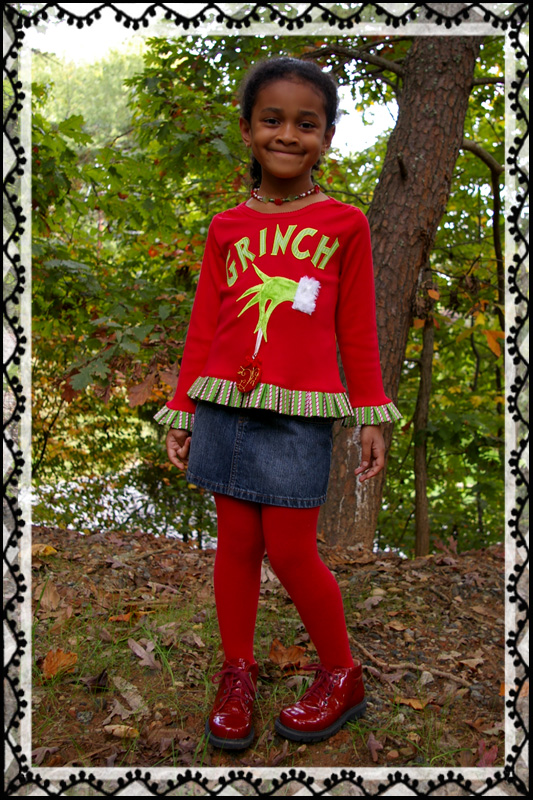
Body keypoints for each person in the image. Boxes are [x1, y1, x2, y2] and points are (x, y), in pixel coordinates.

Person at [154, 57, 401, 750]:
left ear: (327, 136)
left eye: (305, 123)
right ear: (247, 129)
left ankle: (342, 674)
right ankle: (238, 672)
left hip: (299, 413)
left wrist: (371, 411)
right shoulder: (226, 226)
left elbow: (356, 327)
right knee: (235, 545)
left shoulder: (344, 224)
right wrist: (182, 407)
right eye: (271, 120)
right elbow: (205, 324)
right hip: (223, 405)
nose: (287, 134)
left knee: (292, 552)